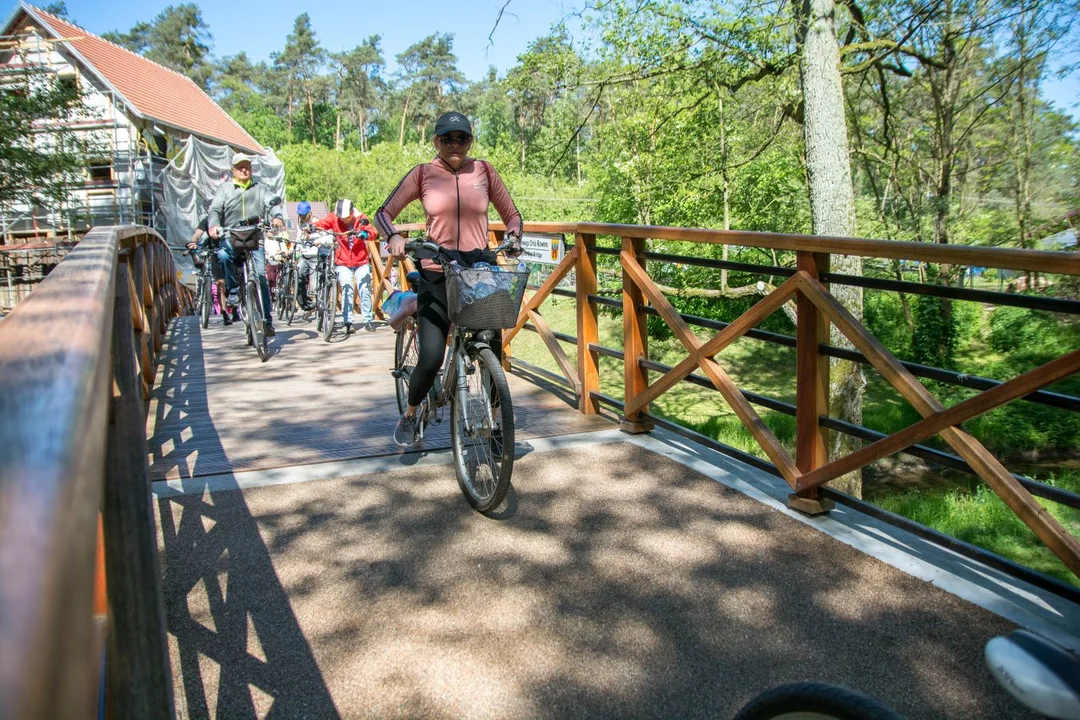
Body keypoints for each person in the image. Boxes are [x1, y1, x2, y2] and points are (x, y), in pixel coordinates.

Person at [375, 111, 523, 446]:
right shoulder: (423, 173)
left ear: (470, 141)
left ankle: (497, 425)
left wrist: (514, 238)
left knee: (492, 350)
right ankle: (411, 412)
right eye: (447, 138)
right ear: (435, 141)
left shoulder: (484, 170)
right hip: (435, 271)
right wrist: (394, 237)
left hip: (477, 274)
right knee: (430, 356)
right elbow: (383, 213)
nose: (455, 144)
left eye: (462, 138)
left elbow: (512, 214)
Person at [208, 153, 285, 337]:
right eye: (240, 167)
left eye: (247, 166)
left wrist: (276, 217)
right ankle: (233, 290)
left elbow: (270, 203)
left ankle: (266, 319)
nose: (244, 170)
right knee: (223, 255)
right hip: (231, 236)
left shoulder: (260, 188)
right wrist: (214, 225)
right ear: (233, 170)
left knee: (261, 276)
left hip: (253, 237)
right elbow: (215, 209)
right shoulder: (225, 189)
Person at [314, 199, 379, 334]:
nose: (343, 220)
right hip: (342, 260)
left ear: (351, 212)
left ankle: (367, 319)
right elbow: (323, 223)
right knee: (346, 287)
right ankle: (347, 321)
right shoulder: (334, 218)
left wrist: (365, 234)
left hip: (360, 260)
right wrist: (312, 226)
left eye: (346, 217)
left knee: (364, 287)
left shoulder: (361, 218)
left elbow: (373, 232)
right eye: (340, 218)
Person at [185, 215, 237, 325]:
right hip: (214, 253)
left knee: (237, 279)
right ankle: (224, 312)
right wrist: (193, 242)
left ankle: (236, 307)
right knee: (220, 283)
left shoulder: (228, 216)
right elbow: (197, 234)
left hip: (230, 251)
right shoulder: (207, 220)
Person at [295, 200, 327, 315]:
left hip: (315, 255)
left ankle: (317, 304)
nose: (302, 217)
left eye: (303, 215)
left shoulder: (317, 222)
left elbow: (323, 236)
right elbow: (298, 238)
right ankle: (306, 305)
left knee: (315, 283)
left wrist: (311, 236)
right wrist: (297, 251)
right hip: (304, 255)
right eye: (300, 215)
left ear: (309, 213)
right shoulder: (299, 223)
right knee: (299, 278)